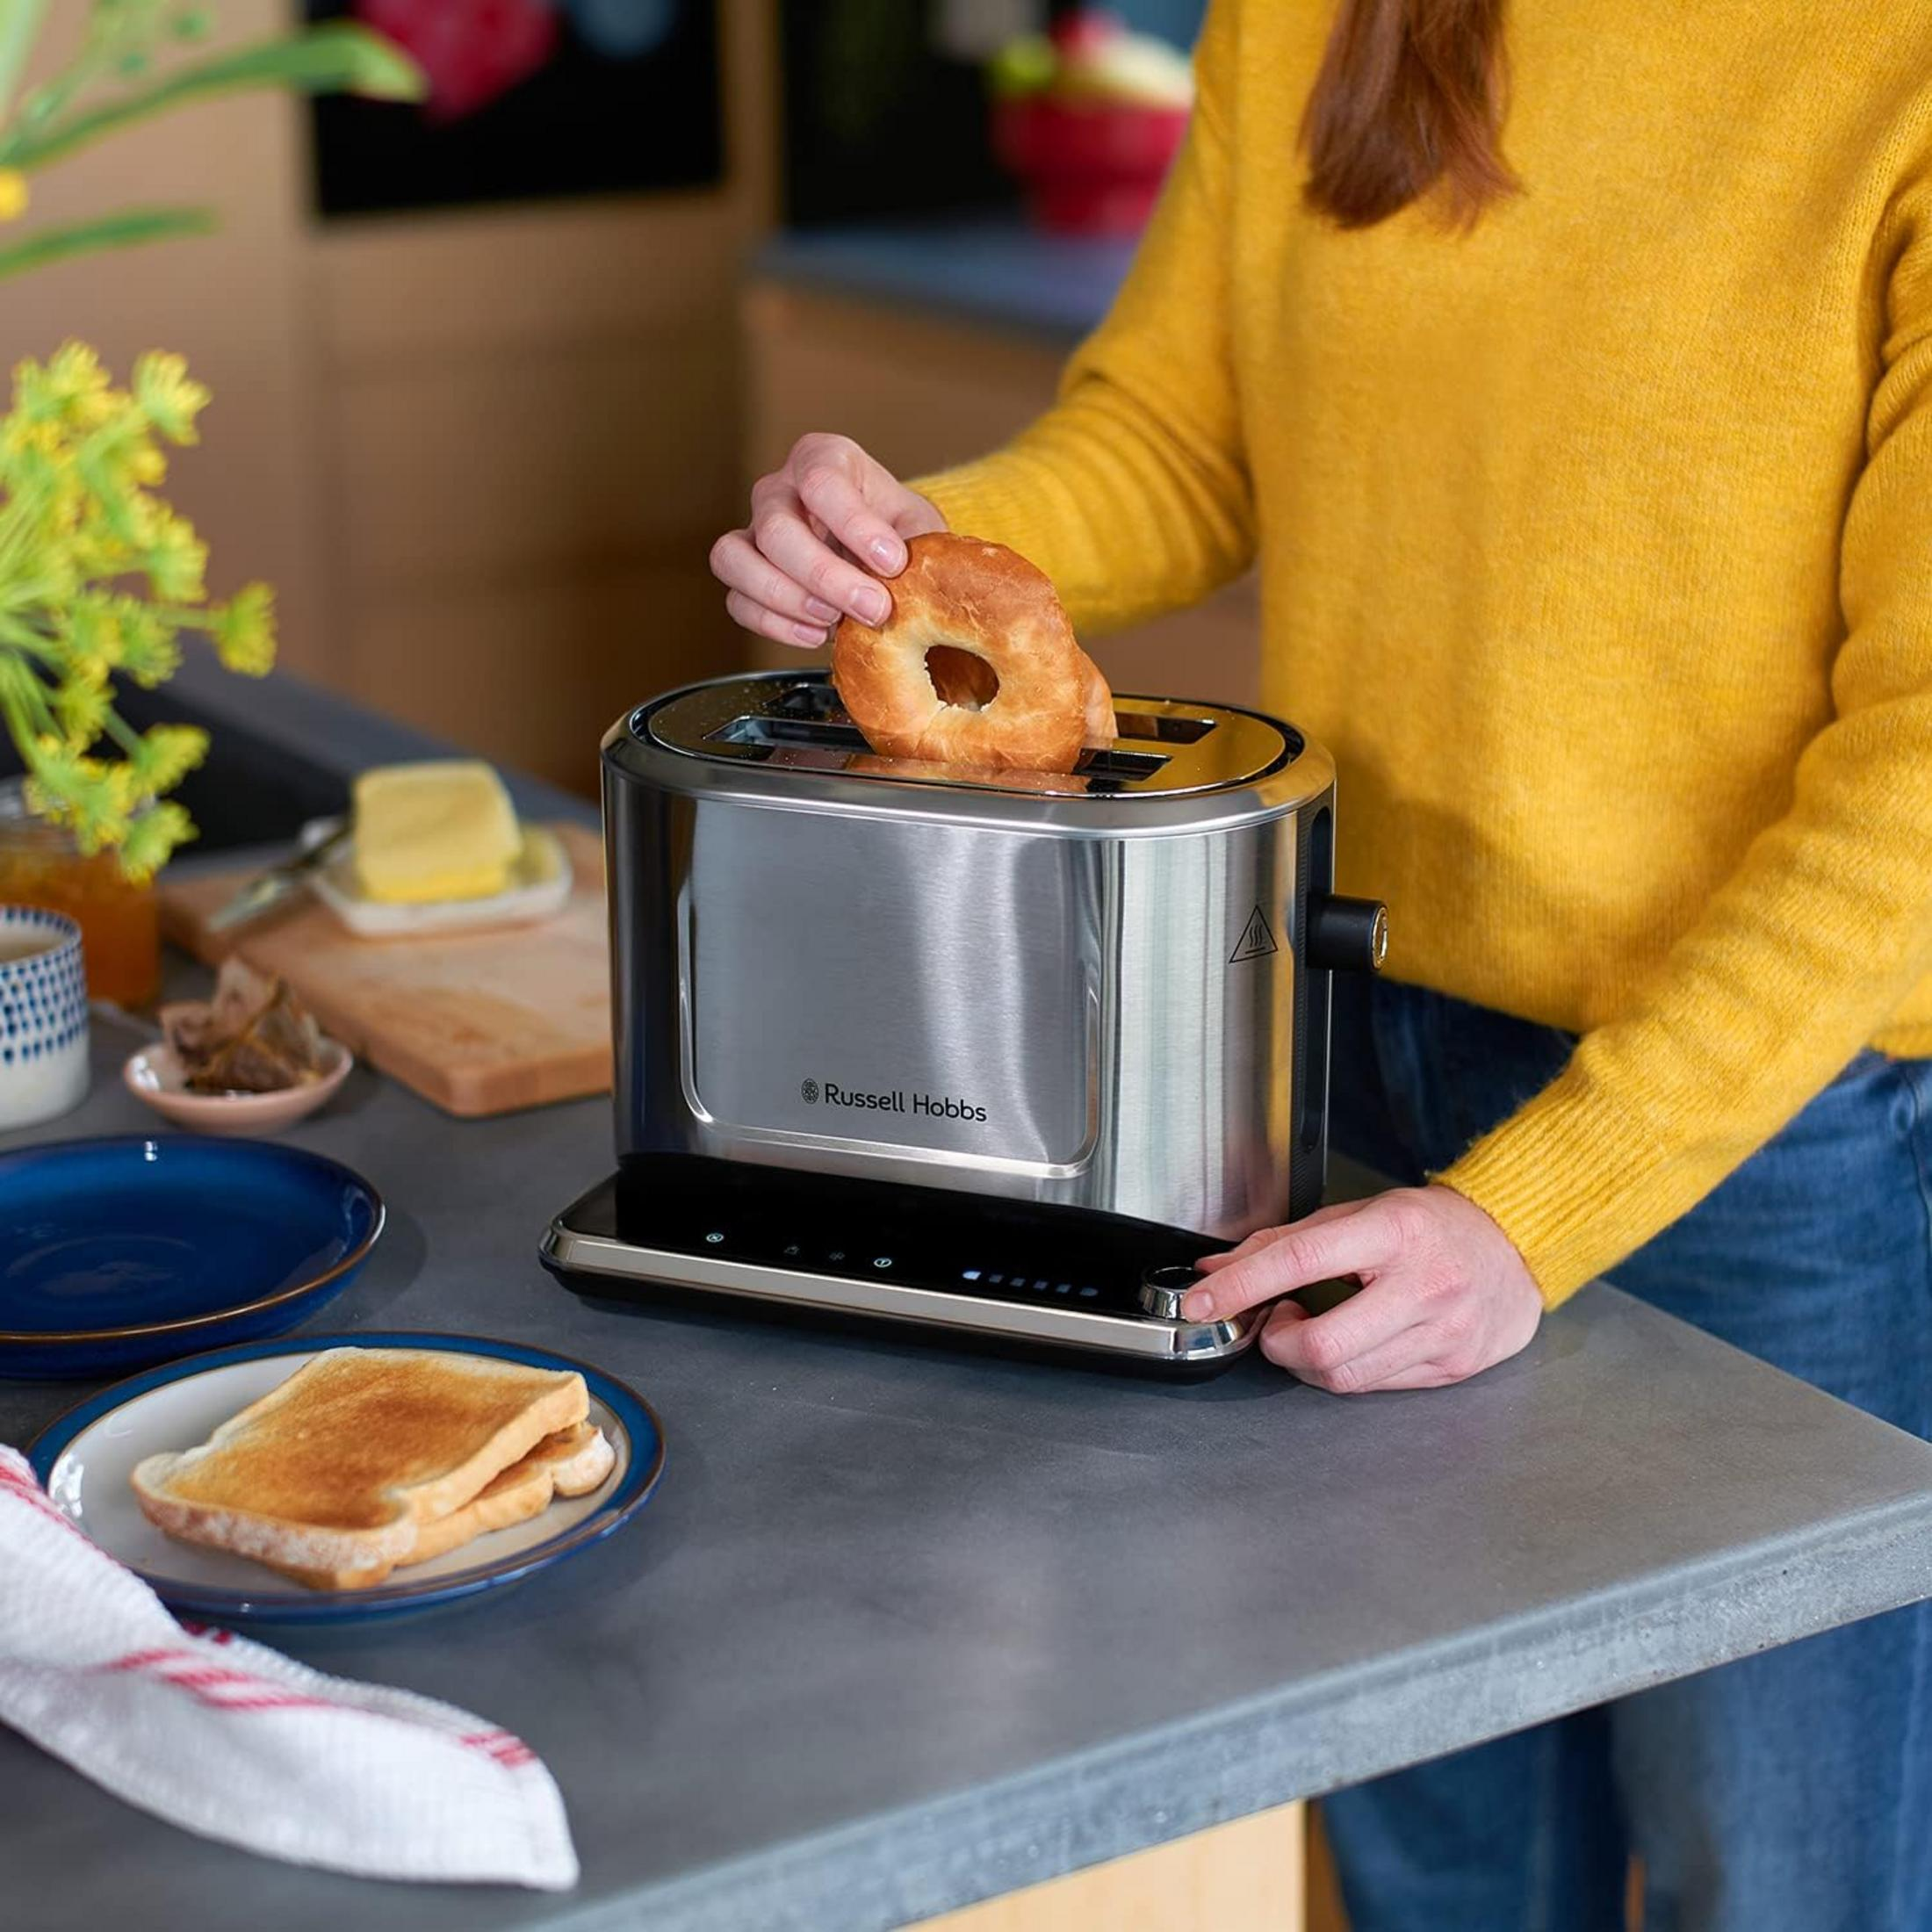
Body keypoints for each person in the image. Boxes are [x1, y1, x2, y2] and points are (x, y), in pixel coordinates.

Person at [710, 2, 1932, 1926]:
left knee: (1768, 1879)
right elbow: (1186, 436)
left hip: (1758, 1141)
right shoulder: (1315, 14)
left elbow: (1921, 769)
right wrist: (921, 548)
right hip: (1350, 1053)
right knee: (1425, 1849)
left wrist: (1536, 1211)